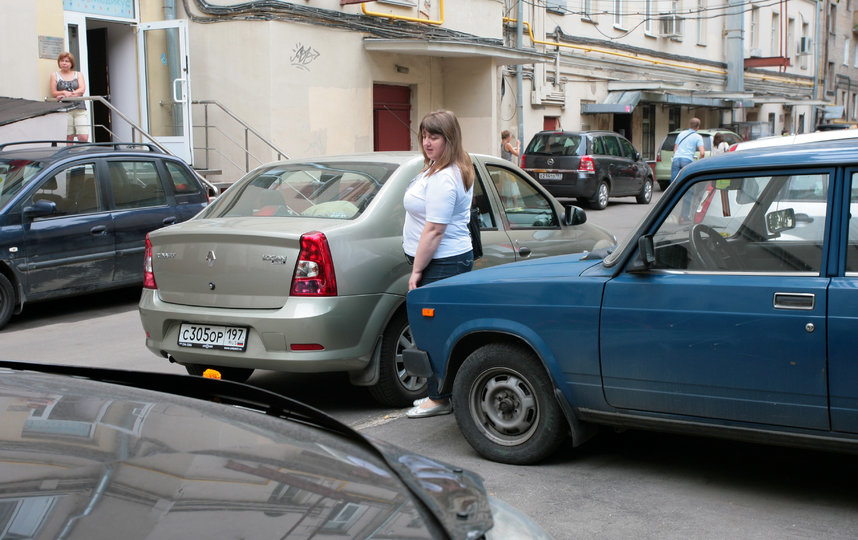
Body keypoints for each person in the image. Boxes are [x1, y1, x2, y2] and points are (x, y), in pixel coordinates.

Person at [403, 110, 475, 418]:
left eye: (434, 136)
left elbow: (435, 229)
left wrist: (418, 270)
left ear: (450, 138)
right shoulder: (437, 168)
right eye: (424, 136)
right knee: (433, 330)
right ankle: (439, 395)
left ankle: (438, 398)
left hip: (442, 264)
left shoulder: (446, 176)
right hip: (440, 262)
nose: (427, 142)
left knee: (435, 332)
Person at [50, 52, 89, 142]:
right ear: (59, 62)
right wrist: (63, 92)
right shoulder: (54, 75)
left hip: (80, 109)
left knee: (83, 137)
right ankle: (70, 154)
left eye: (67, 61)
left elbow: (82, 89)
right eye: (62, 61)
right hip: (65, 110)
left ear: (71, 63)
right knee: (69, 137)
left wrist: (70, 94)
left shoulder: (78, 74)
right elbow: (53, 92)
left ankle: (81, 154)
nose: (64, 63)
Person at [670, 117, 704, 184]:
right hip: (687, 160)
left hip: (676, 159)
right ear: (698, 127)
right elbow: (702, 153)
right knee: (687, 181)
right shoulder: (698, 137)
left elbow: (675, 149)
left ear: (690, 125)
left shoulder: (681, 134)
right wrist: (699, 162)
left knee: (674, 182)